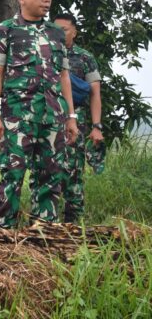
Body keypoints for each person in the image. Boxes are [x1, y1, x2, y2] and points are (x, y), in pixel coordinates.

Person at [0, 0, 79, 228]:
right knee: (13, 172)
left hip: (52, 116)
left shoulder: (56, 34)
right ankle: (1, 230)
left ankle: (44, 230)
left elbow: (64, 76)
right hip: (18, 117)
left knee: (51, 174)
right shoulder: (4, 31)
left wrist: (71, 117)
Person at [53, 13, 104, 223]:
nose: (59, 33)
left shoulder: (85, 58)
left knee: (73, 171)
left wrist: (96, 126)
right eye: (55, 29)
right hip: (49, 119)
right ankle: (46, 221)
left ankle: (73, 224)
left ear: (74, 31)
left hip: (77, 122)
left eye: (64, 29)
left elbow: (95, 95)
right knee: (49, 169)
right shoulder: (46, 54)